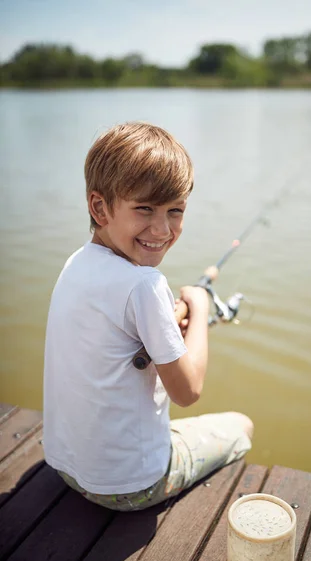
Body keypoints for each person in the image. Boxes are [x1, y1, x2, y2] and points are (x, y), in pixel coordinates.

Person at [43, 122, 253, 511]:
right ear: (99, 207)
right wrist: (200, 305)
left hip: (66, 468)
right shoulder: (145, 284)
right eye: (145, 209)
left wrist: (168, 323)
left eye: (176, 211)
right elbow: (187, 392)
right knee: (241, 425)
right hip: (129, 486)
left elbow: (111, 336)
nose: (162, 229)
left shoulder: (77, 264)